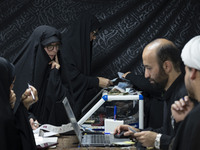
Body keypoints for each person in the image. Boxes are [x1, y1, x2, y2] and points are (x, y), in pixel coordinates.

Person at [114, 38, 187, 150]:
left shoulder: (185, 96)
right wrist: (138, 133)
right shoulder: (170, 92)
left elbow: (190, 143)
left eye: (149, 68)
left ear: (166, 66)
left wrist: (158, 140)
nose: (146, 75)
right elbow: (169, 132)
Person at [13, 25, 74, 127]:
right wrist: (29, 117)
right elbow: (13, 107)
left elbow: (64, 104)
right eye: (50, 46)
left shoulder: (56, 68)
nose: (54, 50)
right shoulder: (21, 69)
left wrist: (54, 74)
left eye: (57, 46)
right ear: (39, 46)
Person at [61, 12, 112, 120]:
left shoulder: (80, 46)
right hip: (63, 109)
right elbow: (70, 79)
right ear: (84, 31)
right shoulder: (65, 47)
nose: (94, 37)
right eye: (93, 33)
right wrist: (97, 81)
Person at [0, 57, 37, 150]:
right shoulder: (5, 120)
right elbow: (24, 144)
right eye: (10, 84)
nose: (12, 90)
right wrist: (22, 109)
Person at [171, 36, 200, 150]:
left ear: (193, 72)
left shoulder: (195, 118)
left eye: (186, 69)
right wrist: (184, 122)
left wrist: (188, 123)